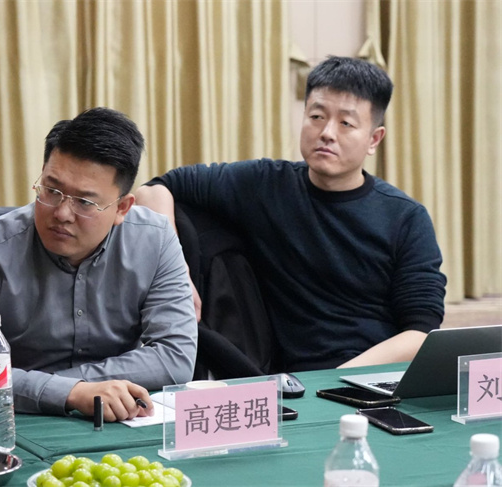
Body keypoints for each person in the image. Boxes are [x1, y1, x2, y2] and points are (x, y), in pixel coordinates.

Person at [135, 56, 447, 372]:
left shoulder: (405, 218)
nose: (327, 133)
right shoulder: (265, 184)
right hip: (291, 381)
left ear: (374, 139)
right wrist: (176, 277)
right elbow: (153, 190)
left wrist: (338, 379)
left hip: (374, 375)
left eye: (346, 123)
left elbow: (421, 332)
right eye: (316, 116)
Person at [0, 107, 197, 421]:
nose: (61, 213)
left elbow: (175, 357)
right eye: (51, 190)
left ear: (122, 208)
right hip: (12, 422)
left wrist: (65, 386)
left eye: (85, 202)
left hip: (117, 420)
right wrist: (72, 392)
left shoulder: (155, 241)